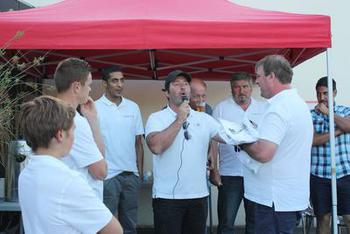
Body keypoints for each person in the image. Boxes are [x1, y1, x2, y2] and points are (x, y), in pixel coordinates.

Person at [18, 95, 122, 234]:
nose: (74, 136)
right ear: (60, 134)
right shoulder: (68, 180)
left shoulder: (26, 174)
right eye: (73, 130)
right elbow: (114, 230)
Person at [240, 55, 313, 234]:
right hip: (288, 197)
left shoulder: (278, 108)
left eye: (258, 76)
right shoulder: (298, 103)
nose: (256, 81)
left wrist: (240, 140)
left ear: (271, 76)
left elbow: (264, 154)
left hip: (273, 200)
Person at [145, 70, 224, 234]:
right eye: (177, 84)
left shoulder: (204, 119)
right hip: (167, 198)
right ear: (166, 92)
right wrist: (180, 119)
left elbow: (229, 137)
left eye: (186, 84)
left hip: (198, 196)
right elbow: (156, 147)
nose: (183, 88)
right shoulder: (156, 118)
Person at [213, 72, 267, 234]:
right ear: (231, 89)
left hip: (256, 173)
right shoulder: (221, 108)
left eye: (245, 86)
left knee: (255, 223)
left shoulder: (263, 108)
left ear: (251, 88)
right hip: (230, 173)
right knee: (226, 222)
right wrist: (214, 169)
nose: (241, 91)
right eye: (236, 87)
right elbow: (213, 141)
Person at [95, 65, 144, 234]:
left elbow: (138, 143)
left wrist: (139, 172)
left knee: (130, 225)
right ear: (104, 83)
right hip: (107, 176)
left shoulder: (133, 107)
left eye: (122, 80)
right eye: (114, 80)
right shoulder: (94, 108)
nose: (119, 84)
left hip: (130, 175)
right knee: (105, 225)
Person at [54, 57, 107, 199]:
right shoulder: (75, 122)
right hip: (81, 202)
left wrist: (92, 119)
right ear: (77, 87)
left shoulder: (46, 114)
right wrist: (94, 123)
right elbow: (101, 171)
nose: (90, 89)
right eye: (89, 85)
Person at [310, 76, 350, 233]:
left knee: (348, 217)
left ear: (334, 93)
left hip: (344, 173)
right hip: (319, 175)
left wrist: (329, 114)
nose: (321, 98)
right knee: (323, 219)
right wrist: (339, 131)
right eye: (318, 94)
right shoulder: (310, 115)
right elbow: (313, 140)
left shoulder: (345, 111)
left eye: (325, 93)